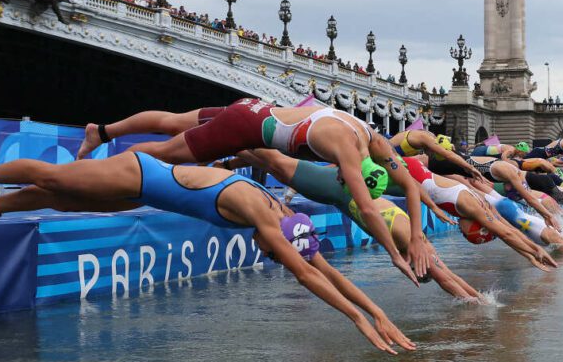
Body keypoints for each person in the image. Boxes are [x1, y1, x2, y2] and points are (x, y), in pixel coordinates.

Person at [0, 154, 415, 355]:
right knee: (54, 179)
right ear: (279, 242)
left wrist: (377, 312)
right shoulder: (267, 217)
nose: (272, 260)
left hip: (147, 193)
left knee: (65, 200)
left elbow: (322, 268)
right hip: (141, 174)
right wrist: (357, 320)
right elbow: (311, 278)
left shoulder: (285, 217)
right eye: (274, 257)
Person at [74, 101, 433, 285]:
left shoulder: (372, 139)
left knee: (171, 121)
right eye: (345, 180)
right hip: (243, 128)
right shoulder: (347, 152)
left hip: (252, 107)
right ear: (355, 169)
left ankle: (102, 132)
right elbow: (369, 210)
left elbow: (410, 187)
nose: (340, 180)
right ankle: (101, 171)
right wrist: (396, 255)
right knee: (166, 154)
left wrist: (416, 236)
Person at [224, 149, 484, 302]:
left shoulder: (421, 245)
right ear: (416, 267)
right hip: (336, 190)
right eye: (415, 272)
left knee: (276, 163)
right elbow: (445, 279)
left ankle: (227, 160)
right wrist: (475, 305)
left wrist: (479, 298)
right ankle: (227, 152)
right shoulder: (412, 245)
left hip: (339, 190)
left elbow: (449, 276)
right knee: (276, 162)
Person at [397, 156, 559, 271]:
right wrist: (535, 251)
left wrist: (530, 254)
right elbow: (506, 234)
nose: (462, 233)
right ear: (476, 225)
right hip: (410, 169)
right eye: (466, 234)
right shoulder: (471, 207)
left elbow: (508, 231)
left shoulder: (481, 205)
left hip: (417, 170)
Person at [386, 131, 486, 183]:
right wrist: (470, 168)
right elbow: (448, 155)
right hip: (383, 154)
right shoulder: (426, 138)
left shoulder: (427, 137)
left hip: (390, 156)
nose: (430, 156)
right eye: (434, 153)